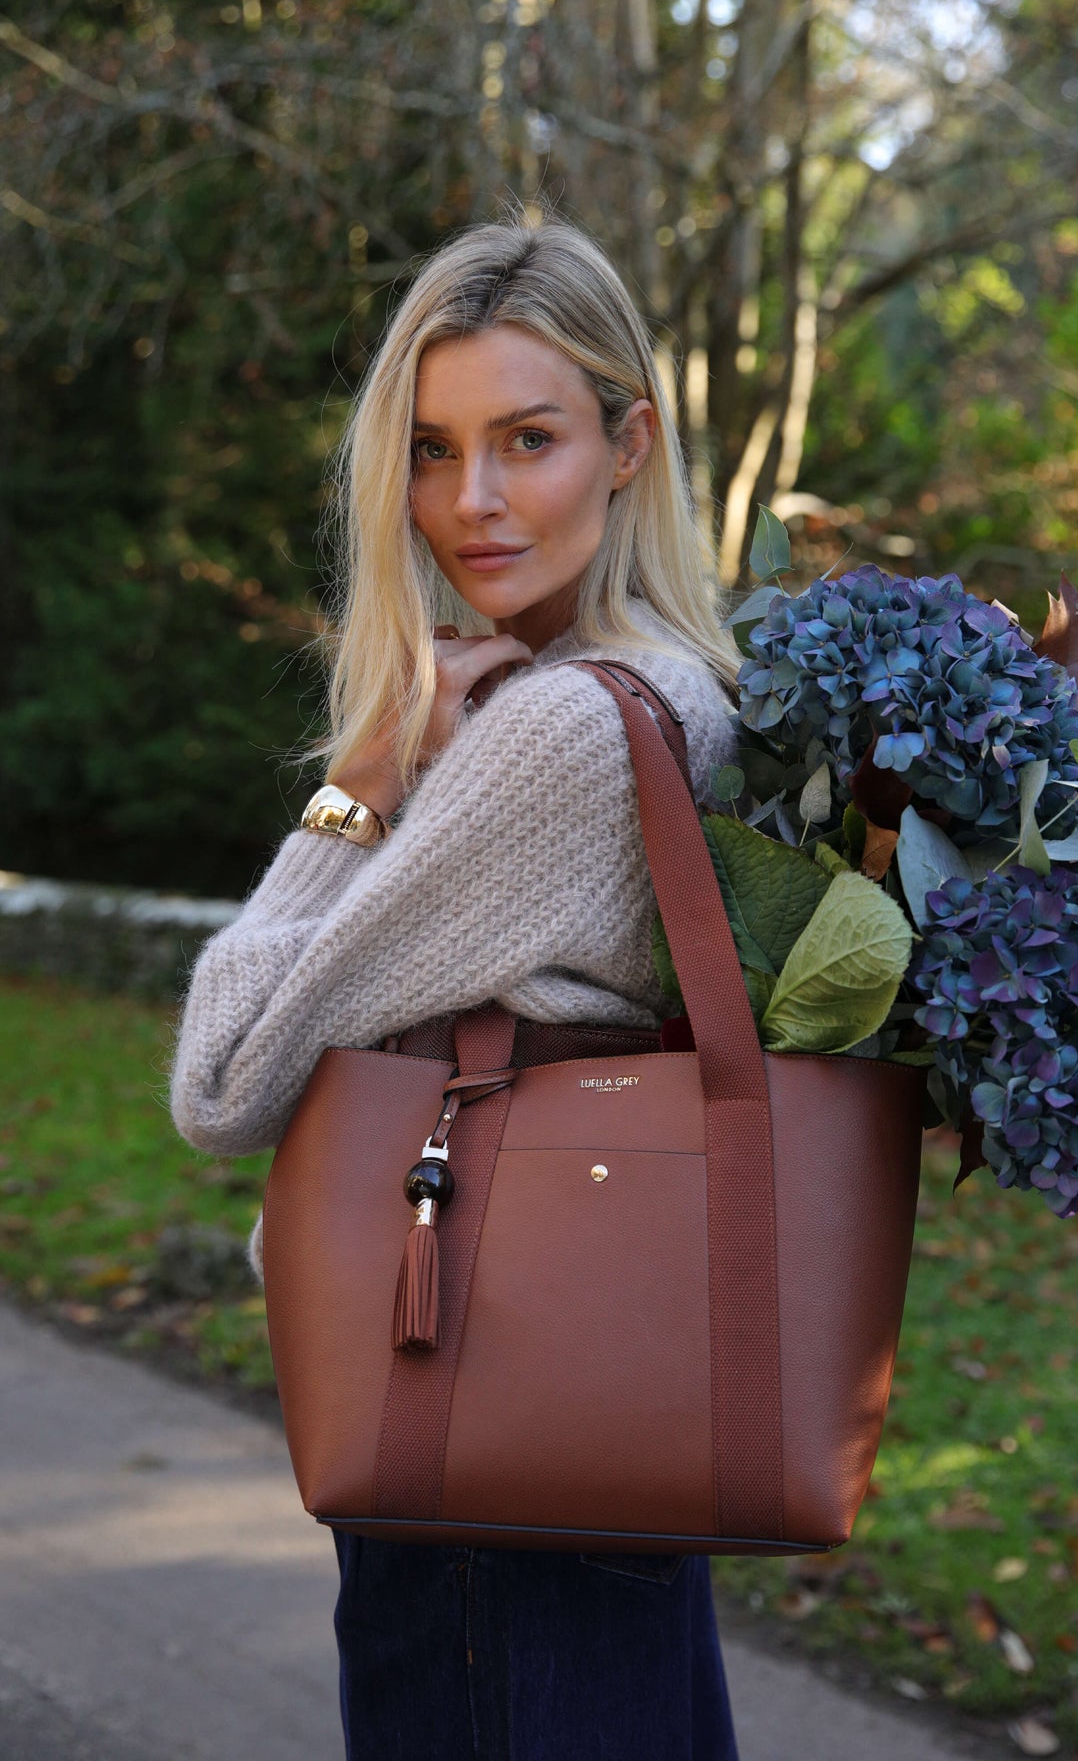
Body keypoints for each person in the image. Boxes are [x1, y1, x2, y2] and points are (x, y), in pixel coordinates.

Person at [170, 214, 744, 1761]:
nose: (471, 502)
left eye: (529, 440)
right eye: (432, 449)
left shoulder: (556, 731)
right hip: (599, 1400)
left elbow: (223, 1076)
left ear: (632, 444)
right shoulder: (687, 686)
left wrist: (354, 789)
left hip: (479, 1410)